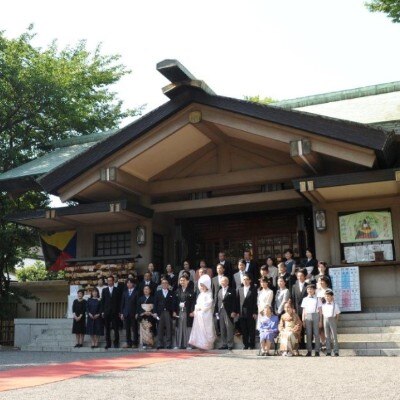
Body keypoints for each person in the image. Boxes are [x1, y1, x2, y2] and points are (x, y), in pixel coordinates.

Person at [188, 274, 216, 350]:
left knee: (206, 329)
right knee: (199, 329)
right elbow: (197, 304)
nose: (202, 287)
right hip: (199, 314)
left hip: (206, 314)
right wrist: (196, 310)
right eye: (201, 286)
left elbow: (208, 304)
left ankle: (207, 345)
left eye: (203, 285)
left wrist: (200, 308)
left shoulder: (209, 294)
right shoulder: (200, 294)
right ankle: (200, 344)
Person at [174, 275, 195, 349]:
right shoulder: (177, 291)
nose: (182, 282)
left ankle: (188, 344)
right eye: (181, 280)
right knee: (179, 327)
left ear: (187, 281)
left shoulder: (191, 291)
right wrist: (174, 311)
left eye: (183, 280)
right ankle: (178, 344)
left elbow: (193, 302)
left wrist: (192, 311)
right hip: (179, 311)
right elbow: (174, 302)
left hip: (187, 311)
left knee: (187, 327)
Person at [215, 276, 237, 350]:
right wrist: (216, 311)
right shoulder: (219, 290)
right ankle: (224, 344)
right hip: (221, 310)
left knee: (229, 327)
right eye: (222, 281)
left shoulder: (232, 290)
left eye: (224, 281)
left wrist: (234, 311)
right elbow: (217, 301)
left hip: (229, 311)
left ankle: (230, 344)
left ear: (227, 282)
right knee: (222, 328)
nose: (223, 282)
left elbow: (234, 302)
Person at [237, 274, 258, 350]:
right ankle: (245, 344)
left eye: (247, 279)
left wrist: (255, 312)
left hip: (251, 312)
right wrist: (237, 312)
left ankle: (252, 345)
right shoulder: (239, 289)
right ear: (242, 281)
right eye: (244, 280)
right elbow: (237, 301)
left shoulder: (254, 289)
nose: (245, 281)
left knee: (251, 329)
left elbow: (255, 301)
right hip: (242, 313)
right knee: (244, 330)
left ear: (250, 280)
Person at [301, 284, 323, 356]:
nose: (310, 290)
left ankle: (317, 350)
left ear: (314, 290)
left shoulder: (317, 299)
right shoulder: (305, 299)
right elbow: (304, 310)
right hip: (307, 316)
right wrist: (303, 320)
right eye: (308, 289)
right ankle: (309, 350)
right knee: (308, 334)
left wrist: (320, 320)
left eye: (311, 289)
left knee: (316, 334)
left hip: (315, 315)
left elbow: (320, 310)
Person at [154, 278, 175, 349]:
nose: (164, 284)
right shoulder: (158, 292)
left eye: (166, 283)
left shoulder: (171, 292)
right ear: (161, 284)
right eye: (163, 283)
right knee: (160, 328)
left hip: (168, 312)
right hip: (160, 312)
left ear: (168, 284)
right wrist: (155, 312)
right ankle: (160, 343)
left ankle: (169, 344)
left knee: (169, 328)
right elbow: (155, 303)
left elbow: (173, 303)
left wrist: (173, 311)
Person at [101, 276, 121, 349]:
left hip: (115, 311)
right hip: (106, 312)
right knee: (107, 328)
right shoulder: (104, 290)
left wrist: (119, 311)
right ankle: (108, 344)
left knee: (116, 328)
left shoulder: (117, 290)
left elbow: (120, 301)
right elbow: (102, 301)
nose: (109, 282)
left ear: (113, 281)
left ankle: (116, 343)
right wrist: (102, 311)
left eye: (111, 281)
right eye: (108, 281)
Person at [120, 278, 139, 348]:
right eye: (128, 283)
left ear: (133, 284)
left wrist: (137, 312)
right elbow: (122, 303)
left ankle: (135, 343)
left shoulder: (136, 292)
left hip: (134, 313)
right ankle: (128, 342)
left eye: (130, 283)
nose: (129, 284)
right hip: (126, 313)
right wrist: (122, 313)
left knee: (134, 329)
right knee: (127, 329)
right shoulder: (125, 292)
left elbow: (137, 303)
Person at [322, 289, 341, 357]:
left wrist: (336, 320)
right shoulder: (323, 305)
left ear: (332, 297)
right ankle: (328, 351)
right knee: (327, 336)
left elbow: (338, 313)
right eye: (326, 296)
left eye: (328, 296)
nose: (327, 297)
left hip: (332, 319)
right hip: (325, 319)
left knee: (334, 336)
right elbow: (323, 314)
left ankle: (336, 351)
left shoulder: (335, 305)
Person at [136, 285, 156, 349]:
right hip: (143, 316)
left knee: (150, 330)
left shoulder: (153, 298)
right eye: (145, 289)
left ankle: (150, 343)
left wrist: (151, 312)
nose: (146, 290)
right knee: (144, 329)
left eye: (147, 289)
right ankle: (144, 343)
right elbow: (138, 307)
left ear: (150, 290)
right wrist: (144, 312)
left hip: (150, 316)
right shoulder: (140, 299)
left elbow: (155, 307)